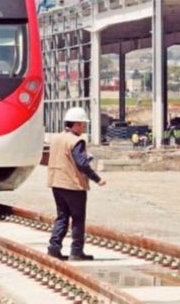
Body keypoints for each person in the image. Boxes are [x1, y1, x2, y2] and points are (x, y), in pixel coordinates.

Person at [46, 107, 106, 261]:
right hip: (72, 184)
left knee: (62, 217)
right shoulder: (77, 141)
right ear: (77, 124)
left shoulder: (56, 138)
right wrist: (97, 178)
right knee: (78, 218)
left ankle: (54, 248)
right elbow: (82, 164)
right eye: (83, 125)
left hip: (56, 183)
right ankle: (76, 251)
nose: (84, 128)